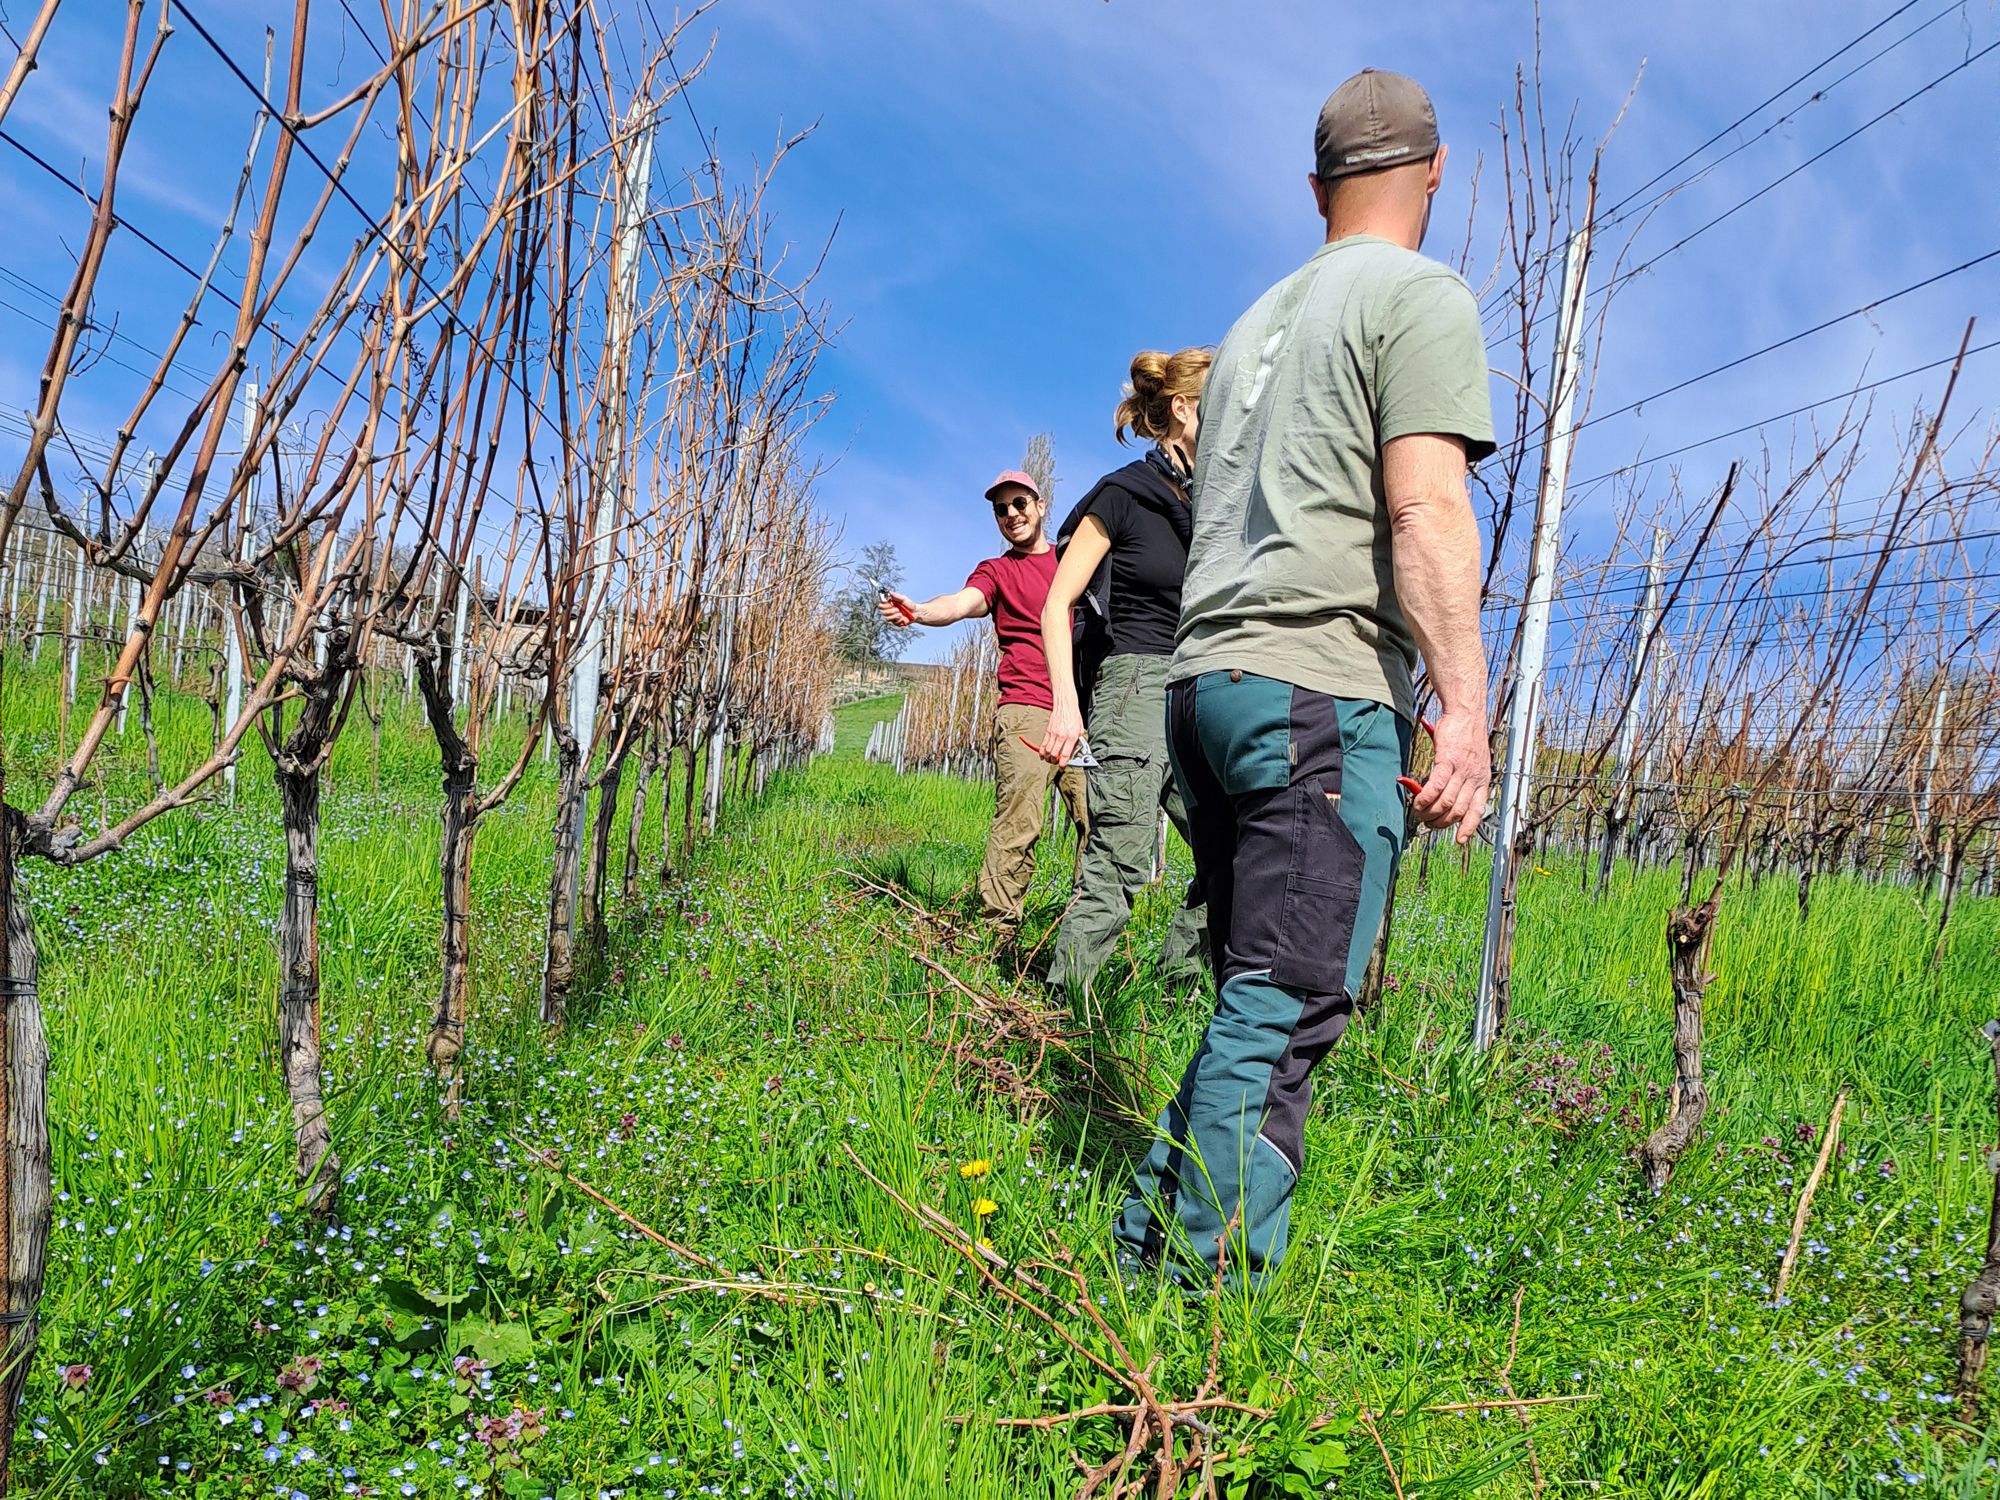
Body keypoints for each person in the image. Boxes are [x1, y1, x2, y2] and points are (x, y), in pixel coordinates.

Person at [1113, 69, 1494, 1286]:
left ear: (1315, 187)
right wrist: (1467, 708)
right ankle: (1200, 1306)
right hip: (1314, 691)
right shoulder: (1417, 295)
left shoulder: (1251, 331)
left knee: (1249, 996)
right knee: (1285, 1008)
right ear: (1435, 170)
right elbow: (1425, 504)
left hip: (1203, 687)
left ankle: (1141, 1255)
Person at [1036, 350, 1212, 1007]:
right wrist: (1065, 708)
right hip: (1134, 685)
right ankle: (1059, 1016)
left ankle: (1174, 993)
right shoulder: (1124, 495)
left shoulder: (1214, 512)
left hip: (1201, 693)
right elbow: (1059, 603)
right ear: (1184, 409)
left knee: (1237, 857)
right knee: (1122, 856)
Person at [879, 471, 1088, 941]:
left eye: (1019, 504)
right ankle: (997, 940)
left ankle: (1079, 934)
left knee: (1101, 822)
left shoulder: (1072, 561)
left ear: (1039, 504)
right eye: (1001, 508)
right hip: (1027, 710)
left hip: (1079, 714)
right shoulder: (997, 572)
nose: (1011, 514)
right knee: (1020, 824)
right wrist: (918, 611)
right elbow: (959, 603)